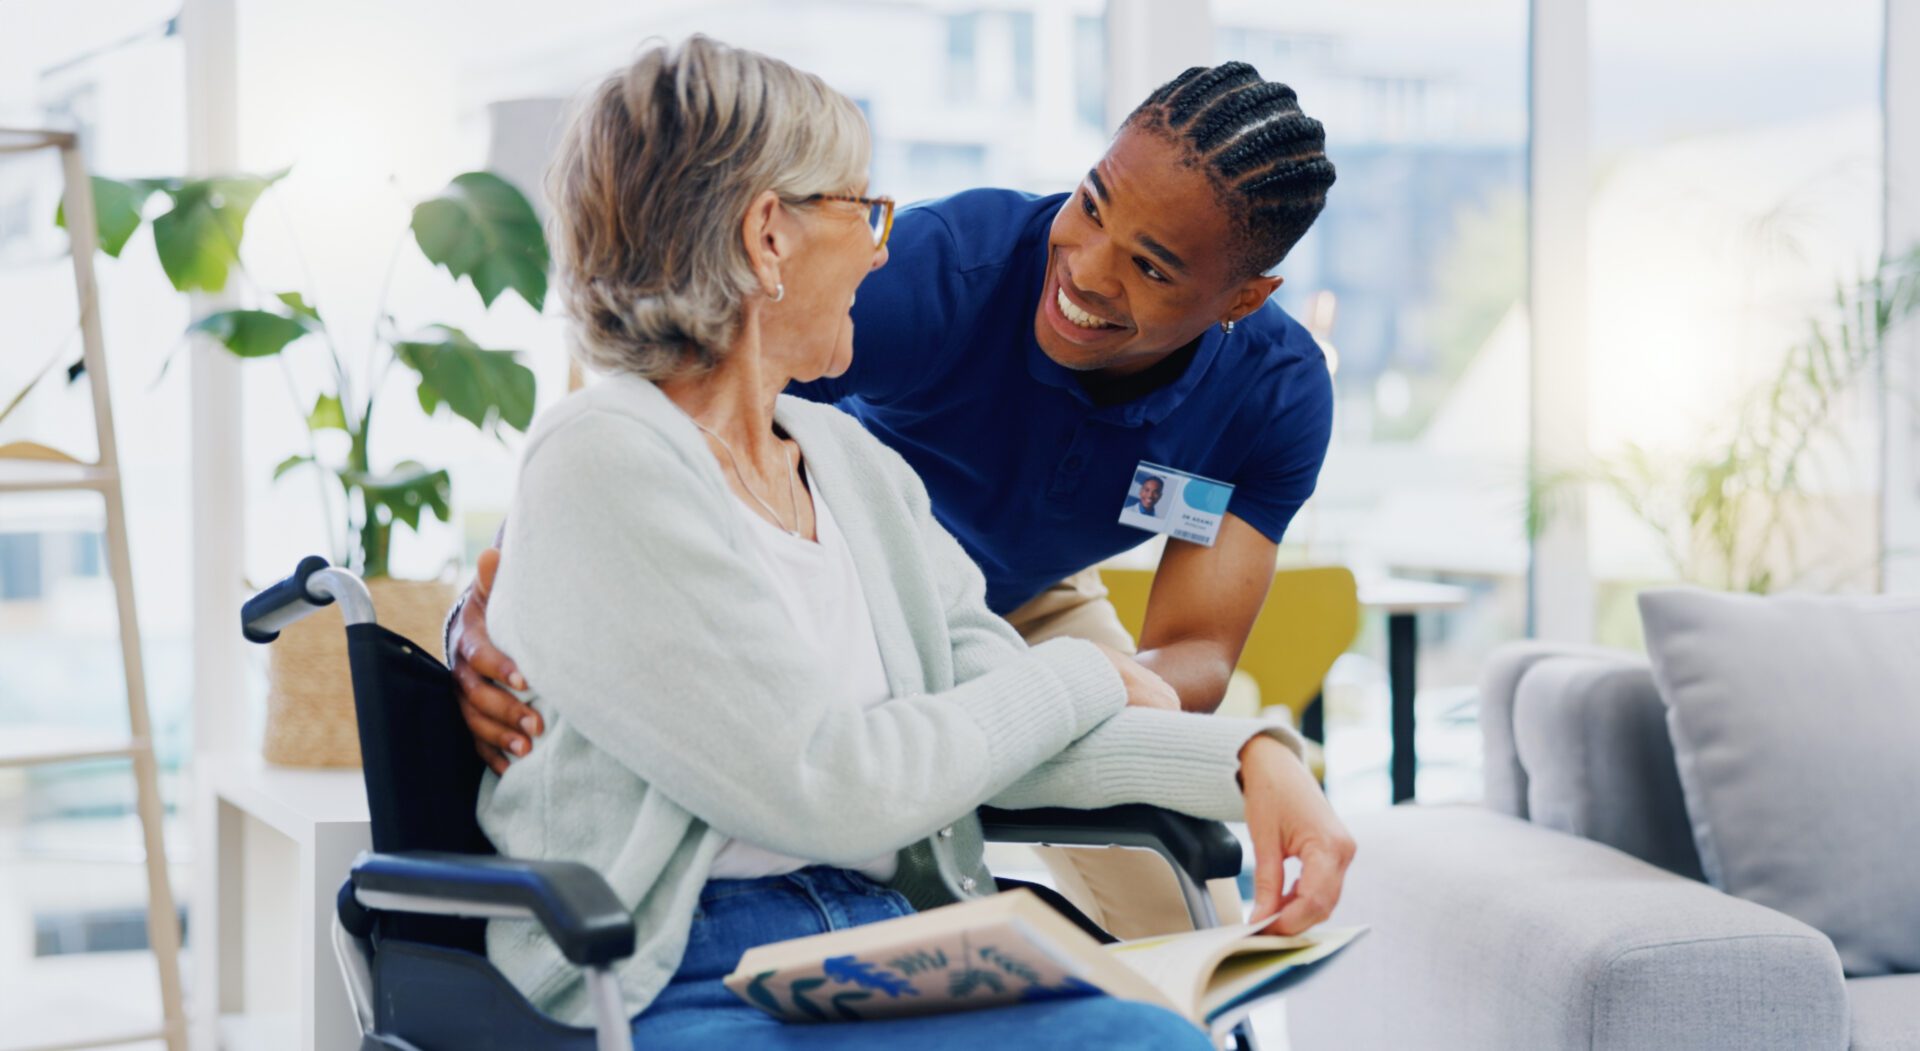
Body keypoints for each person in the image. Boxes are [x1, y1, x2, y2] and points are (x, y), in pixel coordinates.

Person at [479, 37, 1350, 1047]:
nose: (882, 243)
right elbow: (832, 776)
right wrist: (494, 603)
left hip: (953, 672)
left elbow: (1061, 694)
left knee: (1165, 1016)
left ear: (1242, 299)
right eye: (861, 211)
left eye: (1151, 266)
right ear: (770, 236)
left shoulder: (851, 466)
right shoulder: (926, 290)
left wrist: (1253, 757)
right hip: (686, 960)